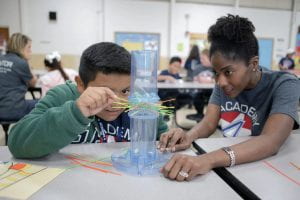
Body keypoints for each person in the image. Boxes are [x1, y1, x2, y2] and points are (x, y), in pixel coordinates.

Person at [158, 14, 300, 181]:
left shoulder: (285, 84)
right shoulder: (223, 84)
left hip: (272, 170)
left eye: (228, 72)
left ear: (253, 64)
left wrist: (207, 159)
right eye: (216, 73)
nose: (221, 82)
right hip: (233, 168)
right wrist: (188, 136)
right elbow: (209, 122)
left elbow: (271, 141)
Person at [8, 42, 168, 158]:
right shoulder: (63, 96)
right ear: (81, 84)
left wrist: (172, 138)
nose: (117, 101)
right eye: (106, 92)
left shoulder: (138, 101)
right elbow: (17, 143)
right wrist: (75, 112)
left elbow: (162, 136)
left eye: (126, 90)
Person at [0, 33, 38, 121]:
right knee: (43, 104)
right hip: (14, 110)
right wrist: (27, 61)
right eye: (29, 47)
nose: (30, 51)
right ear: (21, 47)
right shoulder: (21, 62)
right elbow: (33, 83)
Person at [186, 49, 214, 122]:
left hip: (213, 91)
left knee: (215, 99)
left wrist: (209, 80)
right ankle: (199, 114)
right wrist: (209, 80)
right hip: (200, 90)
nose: (201, 60)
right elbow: (195, 80)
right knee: (197, 96)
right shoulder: (198, 67)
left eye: (203, 58)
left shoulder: (216, 68)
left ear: (210, 58)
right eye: (200, 58)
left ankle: (213, 117)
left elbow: (217, 80)